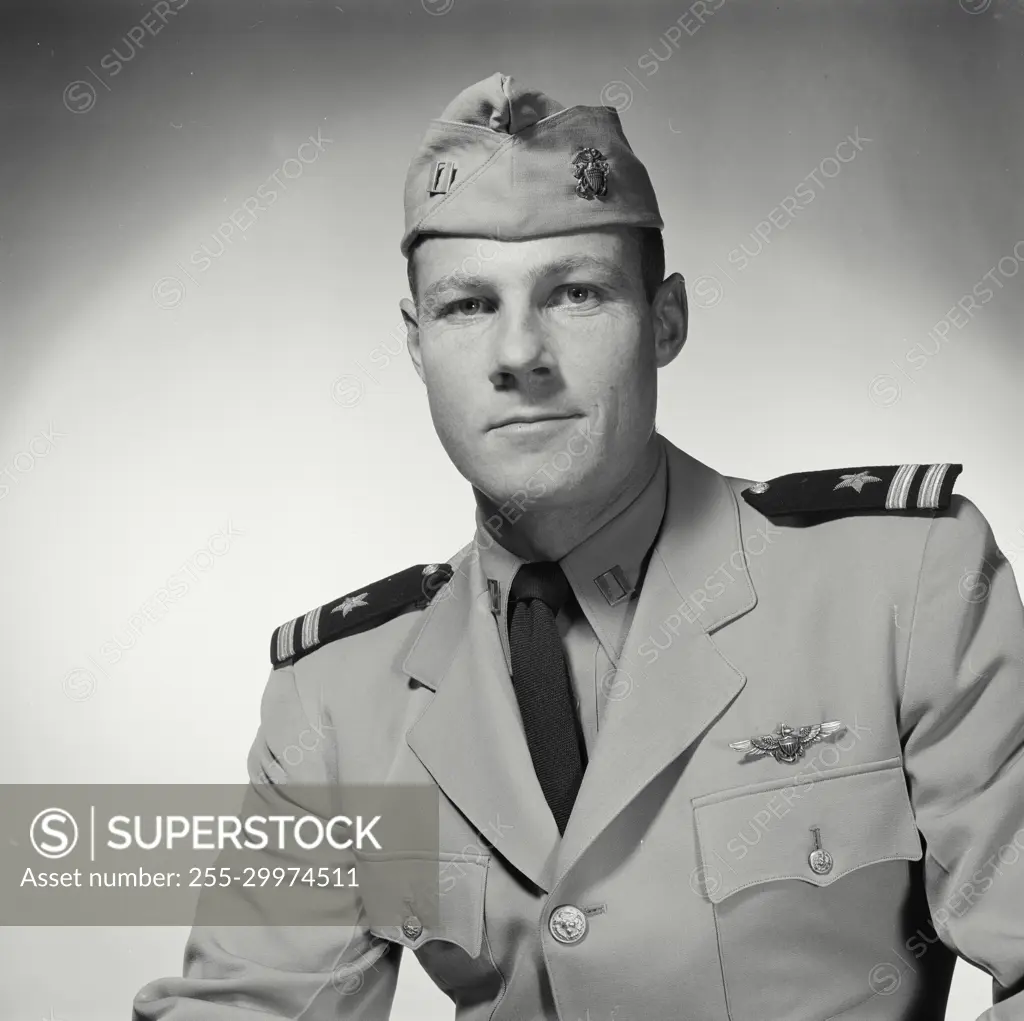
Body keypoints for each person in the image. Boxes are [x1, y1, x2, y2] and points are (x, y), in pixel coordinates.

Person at [133, 72, 1024, 1021]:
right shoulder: (338, 695)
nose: (519, 354)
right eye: (468, 305)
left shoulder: (900, 582)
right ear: (414, 343)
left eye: (576, 293)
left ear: (667, 319)